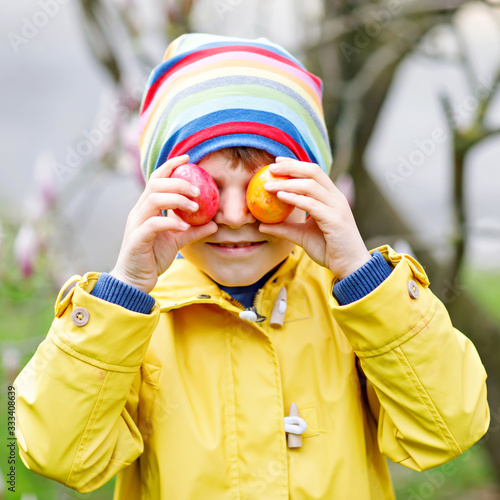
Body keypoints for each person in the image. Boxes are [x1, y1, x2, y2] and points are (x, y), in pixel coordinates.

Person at [14, 33, 489, 499]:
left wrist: (362, 276)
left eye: (266, 184)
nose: (238, 215)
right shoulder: (133, 322)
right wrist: (125, 291)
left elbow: (448, 427)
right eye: (210, 186)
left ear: (312, 188)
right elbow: (60, 454)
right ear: (161, 191)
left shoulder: (355, 308)